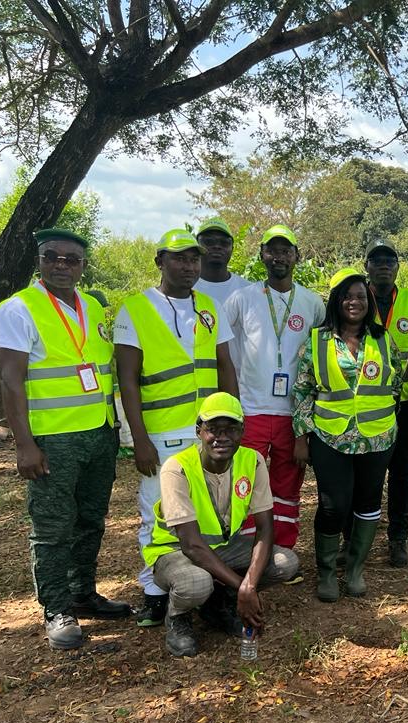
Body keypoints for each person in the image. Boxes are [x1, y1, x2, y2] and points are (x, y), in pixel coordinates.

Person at [0, 228, 130, 650]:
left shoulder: (92, 306)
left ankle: (82, 592)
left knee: (91, 520)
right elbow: (11, 381)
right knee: (53, 527)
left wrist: (114, 429)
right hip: (52, 440)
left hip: (98, 433)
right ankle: (56, 608)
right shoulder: (18, 309)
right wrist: (24, 445)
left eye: (71, 259)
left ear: (83, 266)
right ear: (39, 261)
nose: (61, 265)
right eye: (52, 256)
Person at [115, 229, 239, 629]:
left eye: (193, 259)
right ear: (160, 262)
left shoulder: (208, 307)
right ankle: (155, 594)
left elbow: (225, 366)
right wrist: (139, 439)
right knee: (159, 516)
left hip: (209, 435)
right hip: (162, 436)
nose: (188, 266)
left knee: (212, 513)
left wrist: (234, 424)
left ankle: (211, 594)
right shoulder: (135, 309)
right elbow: (127, 380)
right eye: (179, 258)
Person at [144, 392, 299, 657]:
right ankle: (178, 616)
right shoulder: (177, 468)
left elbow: (265, 528)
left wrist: (248, 585)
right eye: (213, 429)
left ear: (242, 431)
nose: (222, 437)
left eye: (231, 429)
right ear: (199, 431)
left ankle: (218, 604)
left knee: (286, 563)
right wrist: (244, 587)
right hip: (175, 552)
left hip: (223, 547)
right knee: (197, 583)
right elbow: (191, 545)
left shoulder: (252, 461)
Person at [292, 268, 403, 601]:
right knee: (333, 505)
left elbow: (396, 383)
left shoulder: (383, 339)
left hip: (377, 437)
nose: (354, 302)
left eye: (360, 296)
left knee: (368, 503)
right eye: (347, 296)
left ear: (368, 301)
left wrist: (387, 418)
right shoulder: (317, 340)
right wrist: (301, 436)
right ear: (336, 301)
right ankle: (327, 572)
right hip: (331, 436)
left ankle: (355, 570)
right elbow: (303, 390)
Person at [224, 225, 324, 557]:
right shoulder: (242, 298)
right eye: (272, 250)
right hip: (250, 409)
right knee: (245, 482)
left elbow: (322, 352)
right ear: (262, 255)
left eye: (286, 250)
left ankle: (282, 550)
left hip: (292, 414)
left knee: (287, 486)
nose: (278, 257)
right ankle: (245, 552)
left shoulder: (312, 302)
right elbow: (220, 343)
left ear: (297, 256)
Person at [363, 238, 408, 567]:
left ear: (398, 267)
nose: (384, 265)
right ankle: (358, 537)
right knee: (367, 474)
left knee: (401, 474)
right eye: (377, 260)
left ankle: (398, 538)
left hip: (403, 405)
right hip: (367, 405)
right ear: (367, 267)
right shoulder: (356, 299)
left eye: (390, 260)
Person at [194, 217, 251, 306]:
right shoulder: (183, 288)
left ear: (232, 249)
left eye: (224, 243)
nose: (217, 246)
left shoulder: (248, 290)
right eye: (209, 242)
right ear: (197, 247)